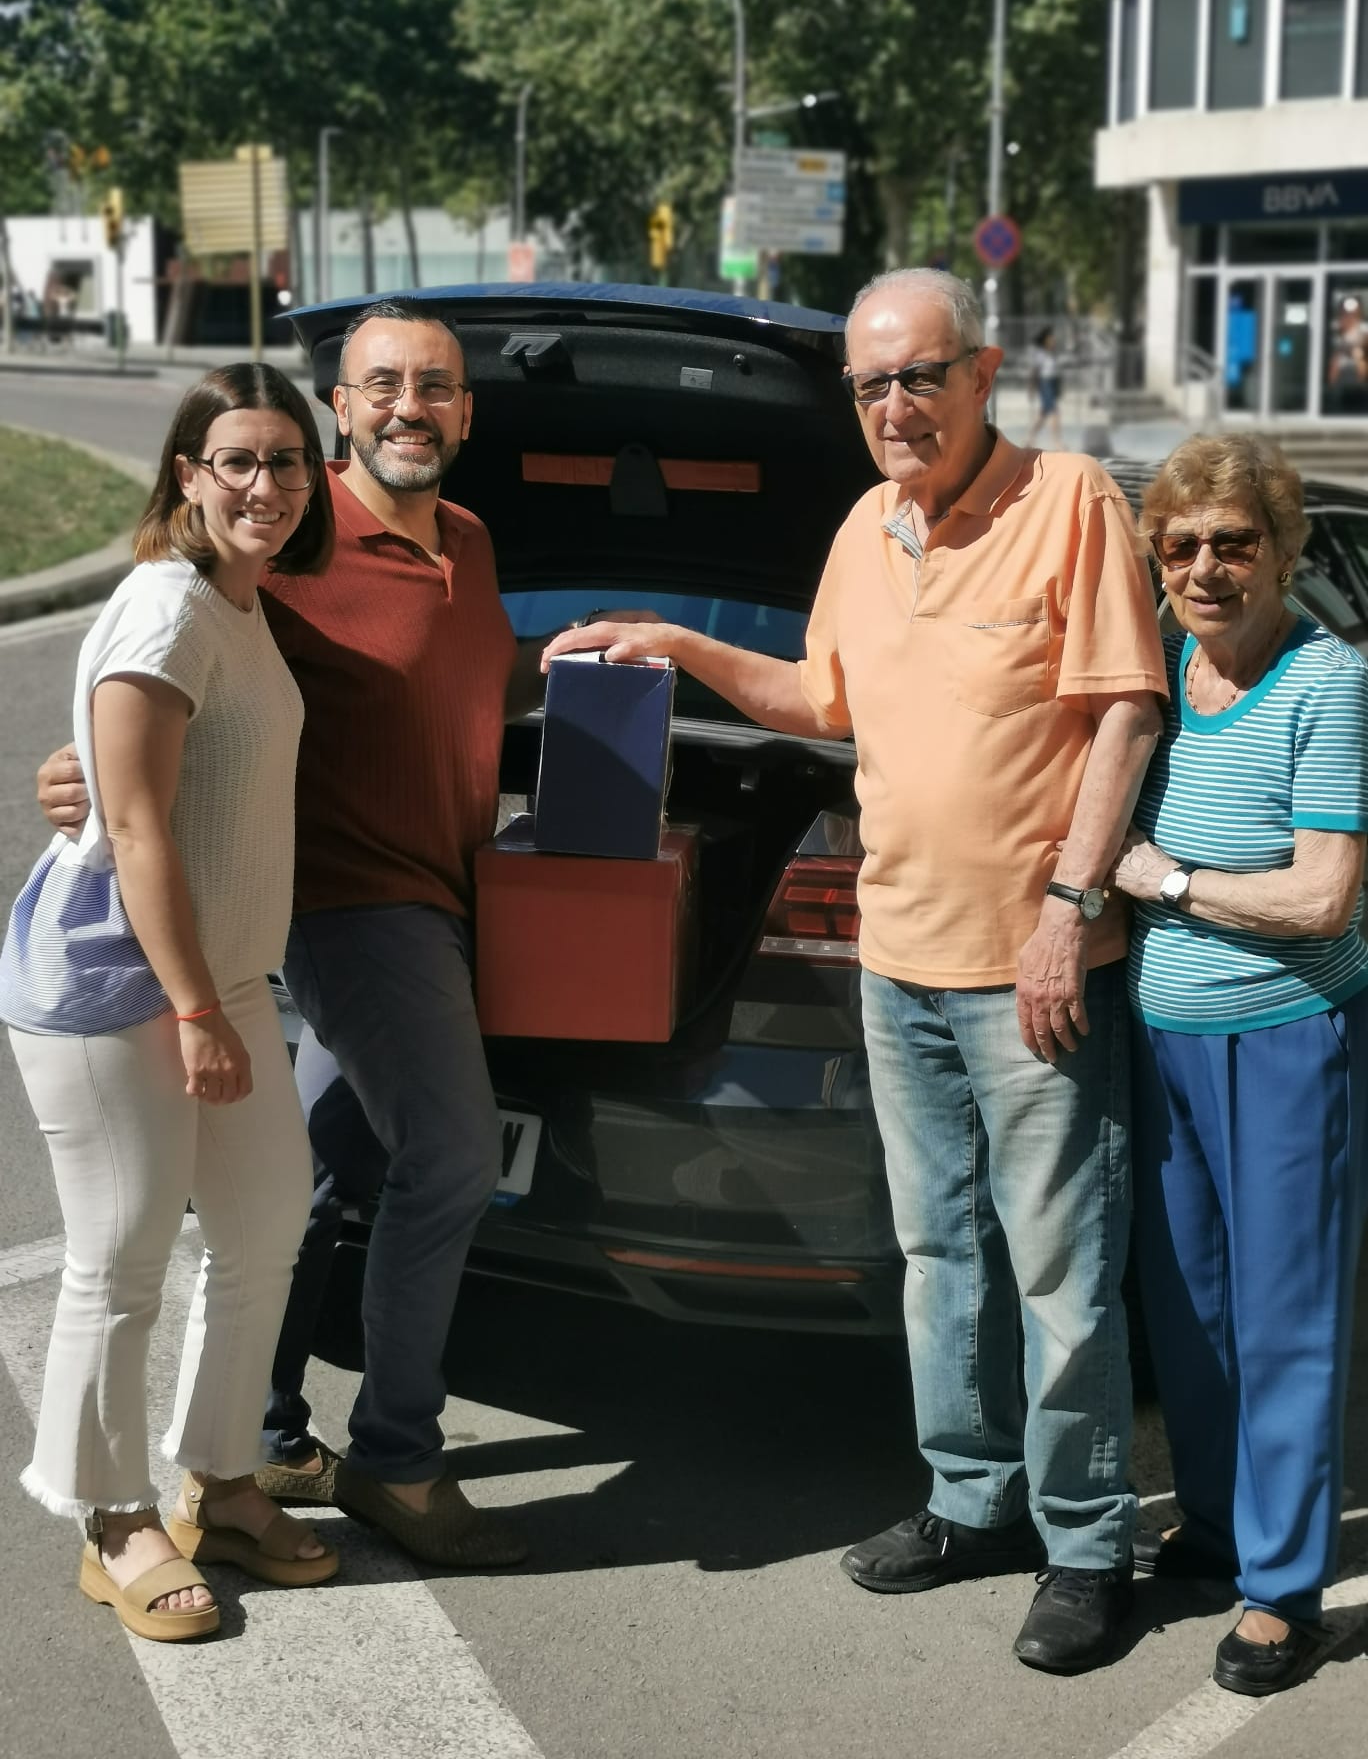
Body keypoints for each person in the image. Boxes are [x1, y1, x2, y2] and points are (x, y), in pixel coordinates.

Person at [543, 268, 1167, 1673]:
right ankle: (971, 1503)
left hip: (1033, 970)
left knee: (1063, 1269)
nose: (896, 406)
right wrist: (684, 641)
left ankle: (1086, 1544)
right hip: (896, 963)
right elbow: (821, 695)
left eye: (920, 376)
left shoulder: (1069, 502)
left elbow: (1126, 714)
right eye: (873, 385)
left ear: (985, 369)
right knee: (941, 1256)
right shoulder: (862, 526)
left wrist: (1070, 907)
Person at [37, 299, 636, 1566]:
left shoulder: (466, 540)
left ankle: (252, 1436)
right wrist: (81, 769)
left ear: (466, 412)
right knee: (454, 1158)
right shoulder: (299, 548)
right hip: (348, 906)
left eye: (435, 386)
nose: (410, 406)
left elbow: (456, 673)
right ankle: (398, 1461)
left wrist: (591, 657)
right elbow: (172, 673)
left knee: (297, 1190)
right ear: (343, 409)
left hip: (445, 886)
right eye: (382, 386)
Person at [3, 365, 340, 1642]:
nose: (267, 486)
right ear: (189, 477)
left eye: (288, 464)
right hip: (116, 981)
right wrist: (196, 1010)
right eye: (239, 462)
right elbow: (134, 824)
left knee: (260, 1230)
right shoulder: (166, 609)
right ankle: (110, 1518)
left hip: (220, 972)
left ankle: (224, 1483)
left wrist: (217, 994)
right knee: (123, 1249)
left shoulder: (236, 603)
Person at [1109, 433, 1368, 1696]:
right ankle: (1215, 1523)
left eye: (1233, 543)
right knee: (1192, 1306)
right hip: (1164, 1039)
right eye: (1182, 547)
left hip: (1285, 1040)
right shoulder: (1158, 672)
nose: (1206, 569)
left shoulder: (1331, 683)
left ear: (1281, 550)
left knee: (1286, 1320)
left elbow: (1323, 900)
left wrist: (1172, 882)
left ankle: (1284, 1588)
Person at [1024, 325, 1063, 450]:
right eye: (1051, 338)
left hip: (1053, 382)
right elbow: (1035, 372)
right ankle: (1056, 442)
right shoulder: (1040, 353)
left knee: (1043, 414)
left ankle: (1029, 438)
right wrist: (1031, 389)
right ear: (1045, 339)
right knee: (1054, 412)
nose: (1054, 340)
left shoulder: (1052, 352)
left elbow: (1056, 371)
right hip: (1045, 383)